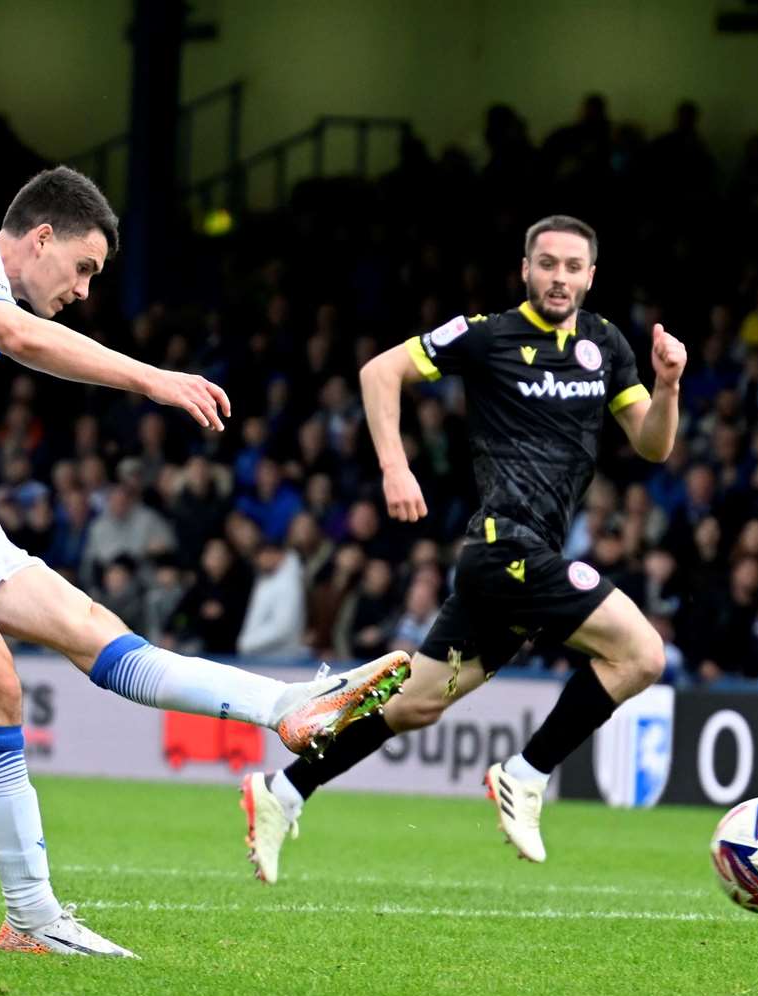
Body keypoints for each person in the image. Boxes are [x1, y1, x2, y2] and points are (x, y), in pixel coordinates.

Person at [0, 168, 410, 955]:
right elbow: (21, 337)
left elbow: (17, 338)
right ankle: (32, 918)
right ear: (39, 237)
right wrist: (152, 378)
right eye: (82, 267)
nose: (82, 290)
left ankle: (280, 708)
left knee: (91, 629)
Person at [242, 214, 685, 880]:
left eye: (571, 267)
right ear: (524, 268)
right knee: (642, 653)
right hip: (502, 545)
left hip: (515, 562)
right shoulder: (486, 335)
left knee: (415, 704)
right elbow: (378, 372)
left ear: (590, 277)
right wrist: (394, 466)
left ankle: (282, 790)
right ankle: (525, 773)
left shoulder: (606, 345)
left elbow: (652, 446)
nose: (558, 277)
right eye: (546, 263)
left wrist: (670, 385)